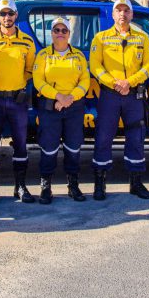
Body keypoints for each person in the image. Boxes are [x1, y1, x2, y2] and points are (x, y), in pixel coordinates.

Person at [90, 0, 149, 200]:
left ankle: (136, 183)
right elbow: (95, 66)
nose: (123, 14)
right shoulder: (100, 38)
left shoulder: (142, 39)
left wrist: (130, 82)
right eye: (119, 10)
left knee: (136, 137)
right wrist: (114, 83)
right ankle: (100, 184)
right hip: (109, 94)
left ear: (132, 14)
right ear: (113, 14)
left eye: (126, 10)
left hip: (134, 95)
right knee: (103, 137)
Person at [0, 0, 36, 205]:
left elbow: (30, 70)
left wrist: (17, 83)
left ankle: (20, 187)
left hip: (17, 101)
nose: (7, 17)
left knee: (21, 145)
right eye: (3, 14)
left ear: (16, 16)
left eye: (10, 13)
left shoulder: (27, 42)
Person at [32, 17, 91, 204]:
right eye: (56, 30)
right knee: (48, 147)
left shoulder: (79, 55)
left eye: (63, 30)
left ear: (69, 33)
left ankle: (73, 185)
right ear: (51, 33)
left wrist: (69, 98)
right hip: (50, 107)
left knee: (73, 147)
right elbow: (38, 81)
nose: (60, 33)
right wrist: (59, 97)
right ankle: (45, 186)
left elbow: (85, 81)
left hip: (74, 107)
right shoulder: (43, 55)